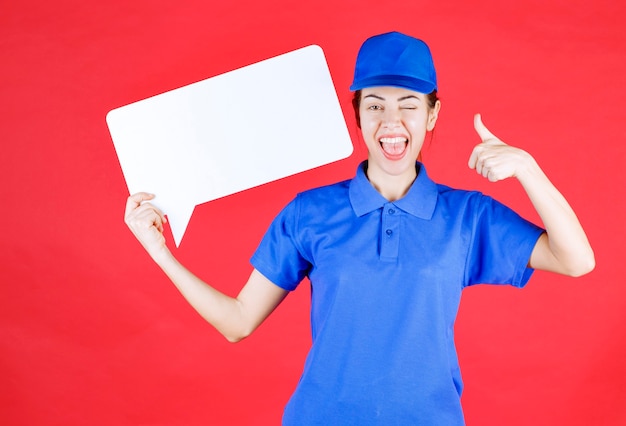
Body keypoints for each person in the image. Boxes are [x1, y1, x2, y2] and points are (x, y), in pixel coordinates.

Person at [124, 31, 594, 425]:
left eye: (409, 104)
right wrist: (160, 252)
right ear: (357, 115)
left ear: (432, 114)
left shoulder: (468, 216)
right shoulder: (310, 212)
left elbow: (577, 260)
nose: (392, 121)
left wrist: (528, 168)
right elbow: (238, 322)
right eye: (375, 106)